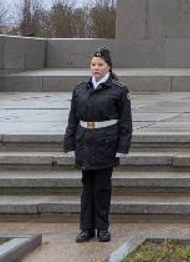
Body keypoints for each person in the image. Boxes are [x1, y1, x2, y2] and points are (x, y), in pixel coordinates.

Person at [63, 47, 132, 243]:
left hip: (106, 144)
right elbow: (72, 119)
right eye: (93, 64)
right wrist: (69, 143)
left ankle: (102, 228)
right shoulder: (80, 89)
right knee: (87, 187)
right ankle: (86, 228)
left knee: (102, 187)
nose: (96, 68)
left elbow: (126, 122)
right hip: (84, 142)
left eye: (100, 65)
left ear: (108, 66)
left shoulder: (119, 90)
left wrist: (122, 147)